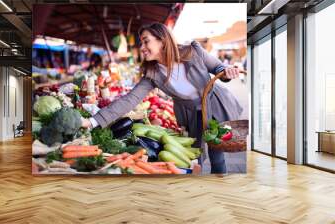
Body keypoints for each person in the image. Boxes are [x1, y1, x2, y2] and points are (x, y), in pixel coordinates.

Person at [81, 22, 243, 174]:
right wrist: (93, 121)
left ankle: (221, 185)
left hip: (215, 105)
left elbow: (218, 67)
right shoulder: (153, 74)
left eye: (146, 42)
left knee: (217, 154)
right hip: (191, 114)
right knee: (193, 156)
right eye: (141, 43)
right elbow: (129, 100)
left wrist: (227, 71)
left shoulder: (193, 52)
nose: (142, 47)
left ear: (162, 41)